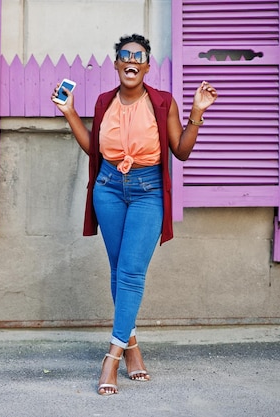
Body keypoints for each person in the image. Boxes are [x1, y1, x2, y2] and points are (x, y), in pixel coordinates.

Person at [51, 34, 218, 396]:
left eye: (138, 56)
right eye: (124, 55)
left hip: (148, 193)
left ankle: (111, 356)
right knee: (117, 271)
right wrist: (68, 113)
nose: (131, 60)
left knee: (130, 272)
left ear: (146, 66)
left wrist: (196, 114)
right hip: (108, 188)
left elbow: (182, 151)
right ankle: (133, 348)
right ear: (116, 65)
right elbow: (93, 149)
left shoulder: (162, 102)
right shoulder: (102, 102)